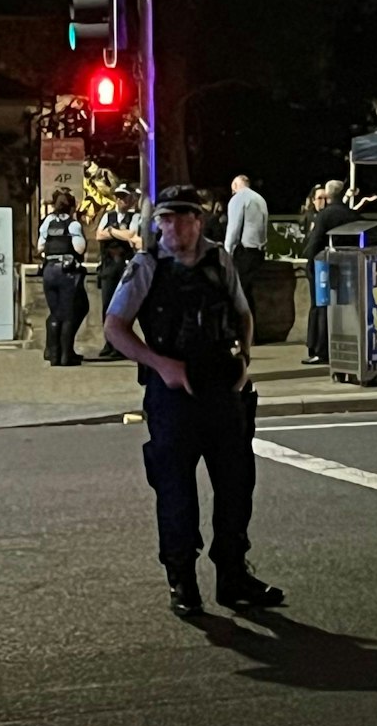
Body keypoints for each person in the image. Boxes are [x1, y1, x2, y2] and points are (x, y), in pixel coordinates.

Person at [103, 185, 284, 617]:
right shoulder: (146, 266)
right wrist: (160, 364)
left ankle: (233, 575)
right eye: (165, 219)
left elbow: (242, 312)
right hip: (173, 393)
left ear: (198, 221)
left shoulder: (219, 260)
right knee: (175, 489)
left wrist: (245, 359)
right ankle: (182, 578)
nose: (173, 228)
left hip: (222, 388)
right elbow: (115, 327)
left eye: (182, 219)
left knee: (236, 486)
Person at [300, 180, 355, 365]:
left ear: (329, 196)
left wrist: (310, 264)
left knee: (321, 307)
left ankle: (319, 349)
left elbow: (314, 243)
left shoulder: (325, 216)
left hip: (324, 267)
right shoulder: (352, 215)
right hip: (349, 267)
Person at [37, 190, 89, 366]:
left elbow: (40, 247)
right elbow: (79, 248)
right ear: (73, 207)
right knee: (67, 314)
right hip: (66, 272)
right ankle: (66, 356)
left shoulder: (48, 222)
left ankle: (53, 354)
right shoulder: (73, 225)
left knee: (54, 313)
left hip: (48, 270)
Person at [93, 185, 145, 360]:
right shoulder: (107, 215)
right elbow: (99, 236)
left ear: (130, 199)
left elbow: (132, 235)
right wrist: (117, 234)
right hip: (108, 266)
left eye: (124, 197)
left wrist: (111, 231)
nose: (121, 200)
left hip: (125, 266)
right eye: (118, 197)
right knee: (107, 306)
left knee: (122, 306)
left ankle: (121, 346)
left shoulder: (135, 216)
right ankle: (109, 344)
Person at [224, 174, 270, 294]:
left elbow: (234, 227)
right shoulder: (261, 199)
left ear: (234, 186)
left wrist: (227, 252)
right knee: (248, 293)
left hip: (245, 253)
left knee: (238, 294)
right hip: (259, 253)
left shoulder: (238, 198)